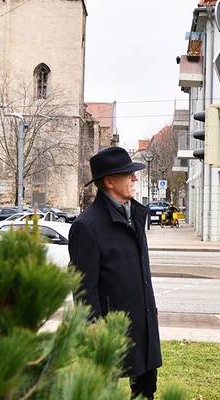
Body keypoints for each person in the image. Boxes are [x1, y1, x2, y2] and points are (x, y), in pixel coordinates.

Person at [68, 147, 161, 399]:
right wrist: (94, 329)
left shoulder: (136, 215)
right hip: (109, 328)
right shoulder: (87, 226)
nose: (135, 178)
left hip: (143, 323)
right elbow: (83, 287)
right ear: (109, 181)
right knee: (104, 392)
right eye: (128, 174)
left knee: (145, 390)